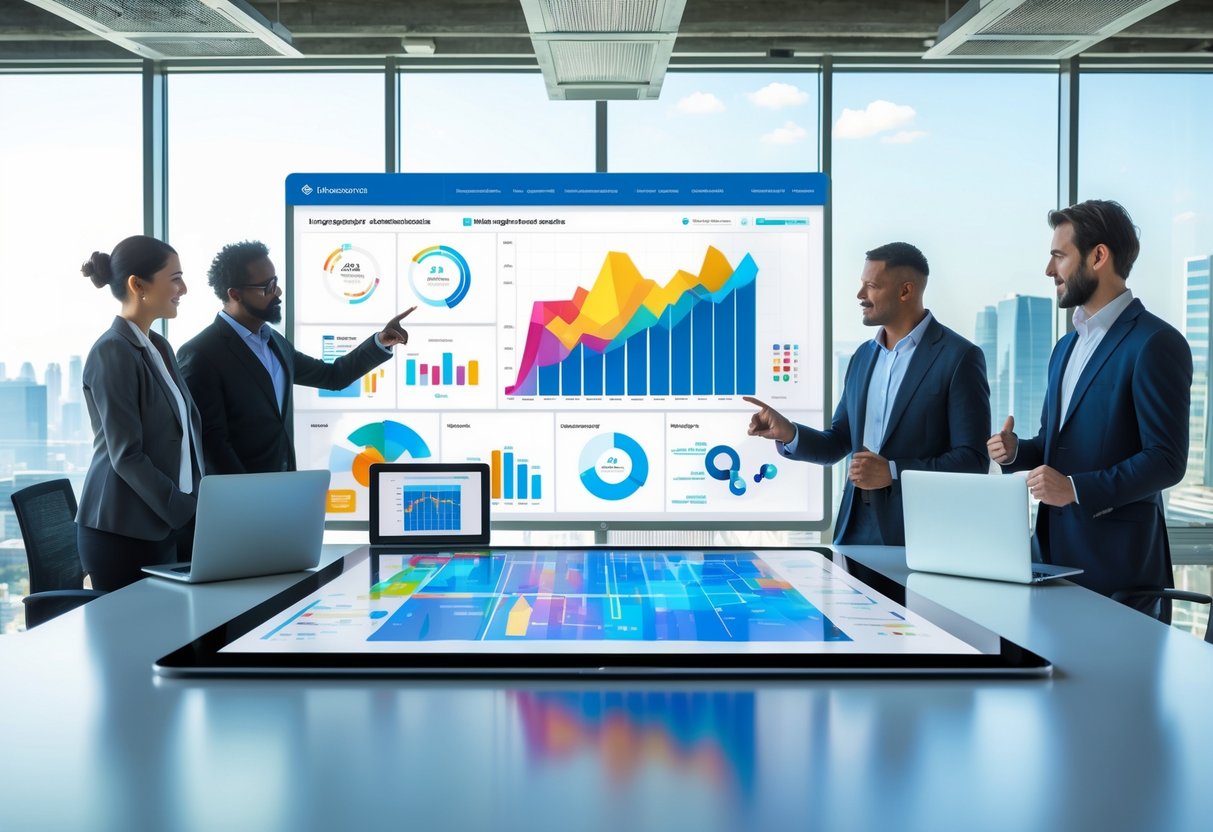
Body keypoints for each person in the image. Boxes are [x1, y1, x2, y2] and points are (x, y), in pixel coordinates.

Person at [988, 200, 1191, 615]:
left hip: (1117, 570)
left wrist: (1076, 489)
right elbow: (1054, 446)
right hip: (1048, 560)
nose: (1049, 270)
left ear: (1098, 256)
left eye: (1059, 256)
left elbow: (1166, 460)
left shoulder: (1155, 343)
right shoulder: (1065, 347)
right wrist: (1015, 451)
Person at [745, 242, 990, 545]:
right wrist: (790, 433)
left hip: (917, 536)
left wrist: (893, 472)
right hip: (854, 528)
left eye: (871, 286)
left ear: (905, 291)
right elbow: (839, 441)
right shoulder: (863, 356)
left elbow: (972, 461)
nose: (860, 295)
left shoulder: (959, 357)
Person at [177, 240, 415, 474]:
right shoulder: (202, 354)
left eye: (276, 282)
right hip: (241, 493)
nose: (278, 292)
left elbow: (332, 376)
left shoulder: (274, 341)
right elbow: (212, 443)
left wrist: (380, 341)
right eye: (268, 286)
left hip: (285, 485)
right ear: (235, 294)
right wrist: (247, 491)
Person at [77, 235, 203, 591]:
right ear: (138, 285)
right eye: (175, 278)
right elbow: (126, 455)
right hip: (123, 531)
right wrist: (185, 511)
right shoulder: (112, 351)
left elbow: (184, 436)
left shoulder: (159, 346)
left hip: (162, 521)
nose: (184, 289)